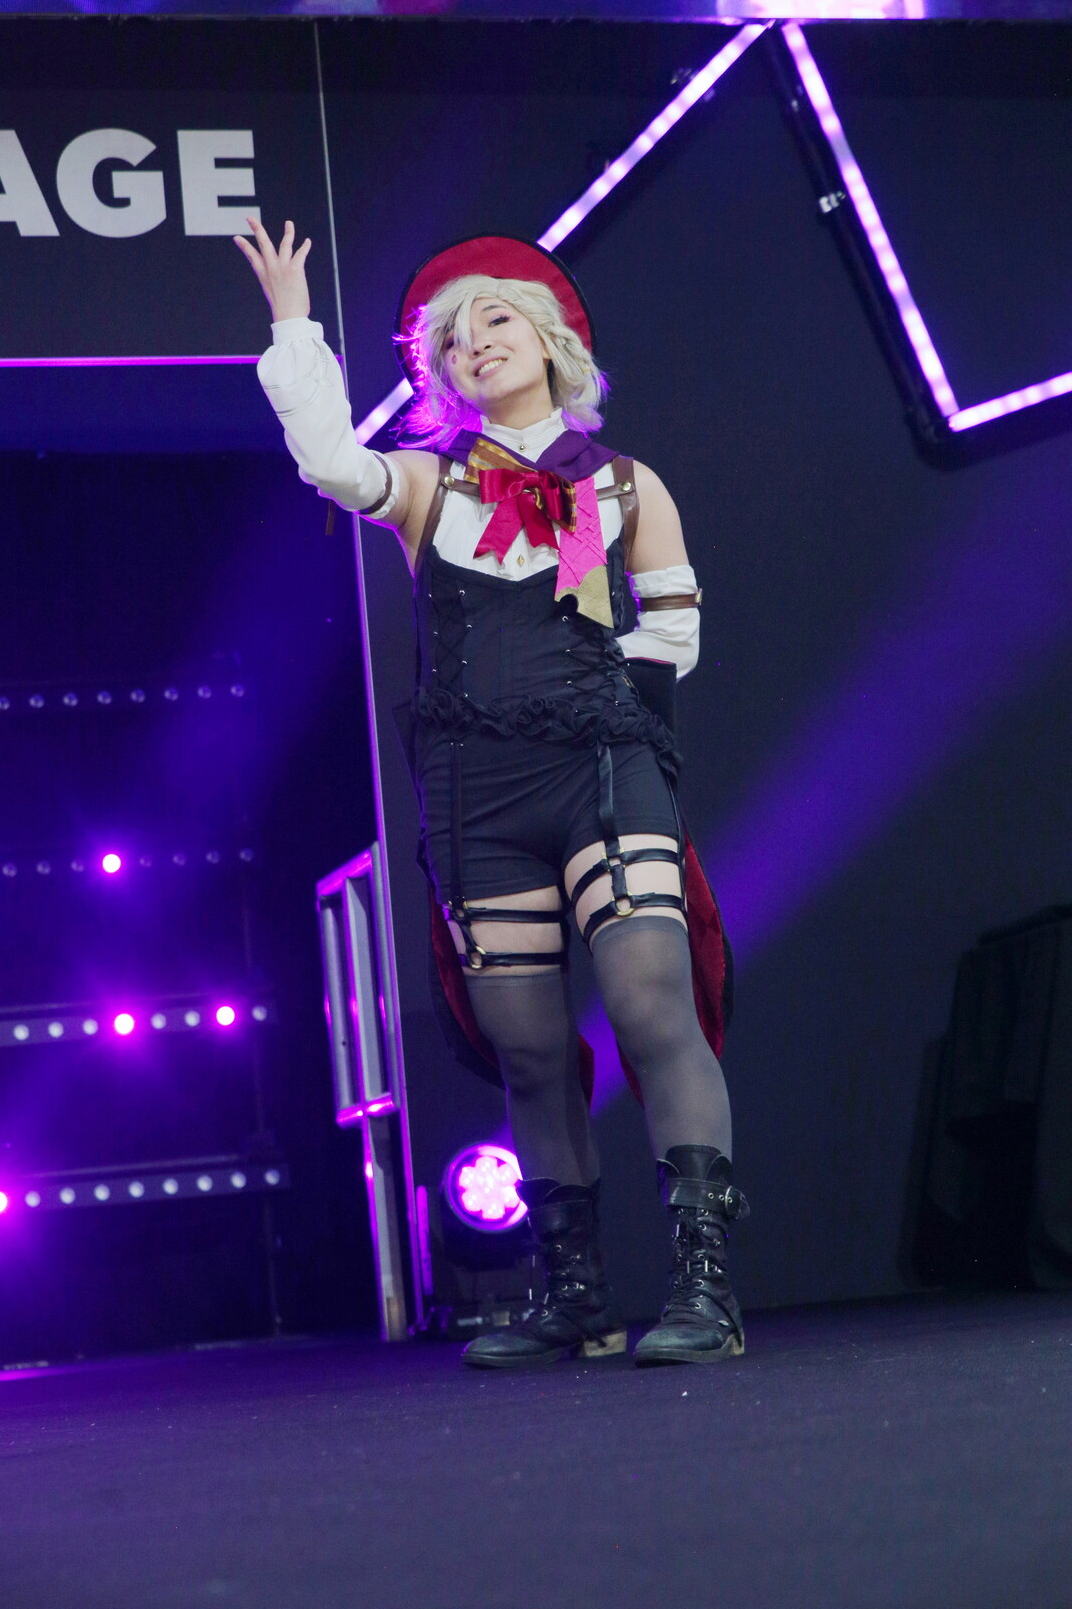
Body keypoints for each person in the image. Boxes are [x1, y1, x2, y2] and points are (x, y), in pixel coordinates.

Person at [235, 218, 748, 1367]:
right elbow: (333, 467)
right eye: (452, 340)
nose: (474, 344)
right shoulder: (429, 483)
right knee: (528, 1048)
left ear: (553, 338)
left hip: (601, 771)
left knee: (651, 1004)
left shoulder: (619, 484)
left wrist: (602, 690)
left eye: (496, 319)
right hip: (477, 792)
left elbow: (675, 631)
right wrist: (294, 326)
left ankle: (704, 1286)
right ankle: (575, 1294)